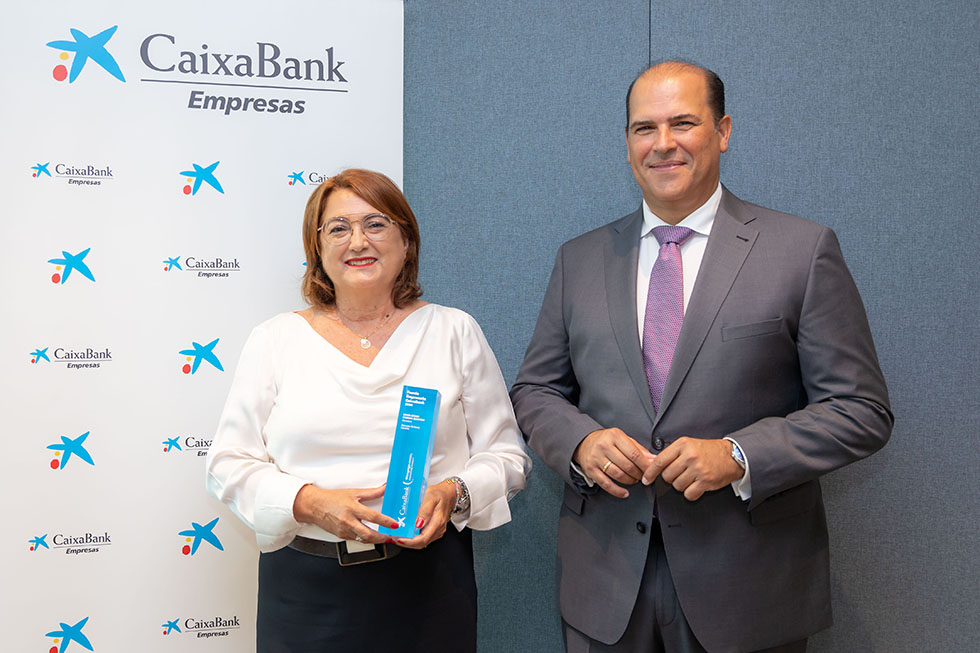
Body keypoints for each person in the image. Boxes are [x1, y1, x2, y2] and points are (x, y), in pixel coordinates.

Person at [510, 61, 893, 653]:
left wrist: (738, 455)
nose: (663, 143)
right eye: (644, 128)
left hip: (748, 587)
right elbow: (535, 392)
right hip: (605, 584)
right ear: (627, 144)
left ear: (724, 131)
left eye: (683, 123)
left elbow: (860, 410)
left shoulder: (801, 250)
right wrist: (581, 443)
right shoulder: (579, 259)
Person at [206, 168, 531, 653]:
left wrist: (452, 493)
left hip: (431, 587)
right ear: (317, 249)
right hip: (305, 595)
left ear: (406, 241)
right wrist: (310, 502)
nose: (358, 241)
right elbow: (227, 465)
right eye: (338, 228)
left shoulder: (453, 332)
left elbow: (507, 456)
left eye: (376, 224)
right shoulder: (275, 340)